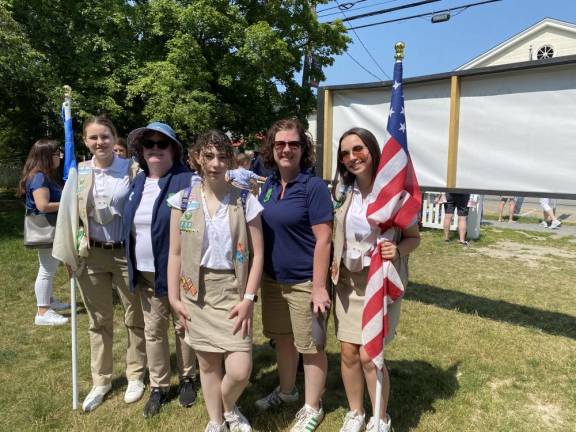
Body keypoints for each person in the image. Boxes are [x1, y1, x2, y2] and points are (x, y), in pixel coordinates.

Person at [167, 130, 264, 432]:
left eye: (222, 157)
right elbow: (175, 254)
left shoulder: (245, 200)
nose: (215, 163)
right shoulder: (182, 200)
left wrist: (248, 299)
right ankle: (216, 421)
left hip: (234, 292)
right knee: (207, 365)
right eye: (208, 156)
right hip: (196, 291)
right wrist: (174, 298)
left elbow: (258, 254)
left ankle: (229, 406)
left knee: (240, 369)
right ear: (197, 158)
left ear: (231, 161)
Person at [331, 128, 420, 432]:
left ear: (372, 149)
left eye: (358, 149)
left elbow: (413, 238)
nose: (352, 157)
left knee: (370, 354)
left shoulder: (394, 194)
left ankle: (380, 418)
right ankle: (355, 413)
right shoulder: (341, 192)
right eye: (345, 153)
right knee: (348, 352)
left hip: (379, 282)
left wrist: (397, 250)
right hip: (346, 282)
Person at [254, 118, 333, 432]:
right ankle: (287, 392)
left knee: (311, 347)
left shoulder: (313, 187)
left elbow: (324, 239)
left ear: (304, 149)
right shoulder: (269, 185)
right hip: (273, 281)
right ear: (271, 149)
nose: (286, 149)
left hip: (304, 283)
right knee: (284, 341)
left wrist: (318, 287)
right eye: (280, 144)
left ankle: (313, 406)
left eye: (293, 144)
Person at [123, 122, 200, 418]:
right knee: (154, 331)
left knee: (183, 327)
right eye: (149, 144)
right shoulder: (138, 182)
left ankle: (188, 378)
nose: (155, 148)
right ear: (141, 151)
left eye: (161, 143)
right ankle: (158, 385)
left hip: (179, 273)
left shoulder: (187, 180)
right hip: (145, 273)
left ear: (173, 149)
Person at [76, 115, 147, 412]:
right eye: (93, 137)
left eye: (104, 136)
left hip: (123, 253)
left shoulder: (131, 169)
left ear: (114, 138)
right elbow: (70, 215)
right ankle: (101, 380)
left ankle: (136, 374)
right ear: (85, 141)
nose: (99, 142)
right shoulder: (78, 171)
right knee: (99, 320)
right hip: (91, 254)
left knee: (134, 316)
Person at [18, 139, 69, 326]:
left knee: (49, 267)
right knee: (47, 269)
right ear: (47, 156)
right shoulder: (39, 177)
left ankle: (48, 300)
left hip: (50, 226)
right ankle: (43, 312)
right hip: (46, 227)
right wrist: (70, 201)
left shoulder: (43, 175)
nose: (60, 157)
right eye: (57, 154)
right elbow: (43, 205)